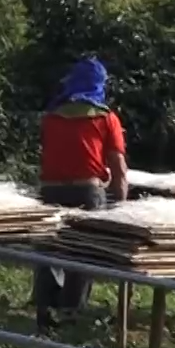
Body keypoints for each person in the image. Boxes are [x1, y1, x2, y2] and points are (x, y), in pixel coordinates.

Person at [35, 57, 128, 332]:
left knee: (48, 249)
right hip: (87, 190)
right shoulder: (106, 118)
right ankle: (71, 312)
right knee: (84, 253)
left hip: (50, 190)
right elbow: (118, 168)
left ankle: (45, 311)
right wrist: (121, 206)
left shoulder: (52, 116)